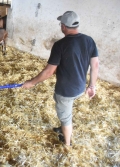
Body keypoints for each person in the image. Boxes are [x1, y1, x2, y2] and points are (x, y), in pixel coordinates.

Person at [22, 11, 99, 147]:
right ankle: (64, 128)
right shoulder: (89, 40)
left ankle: (67, 144)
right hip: (80, 87)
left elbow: (49, 72)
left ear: (63, 26)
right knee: (66, 111)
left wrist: (31, 82)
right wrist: (92, 86)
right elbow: (95, 65)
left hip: (65, 91)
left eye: (61, 25)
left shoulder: (60, 45)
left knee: (65, 118)